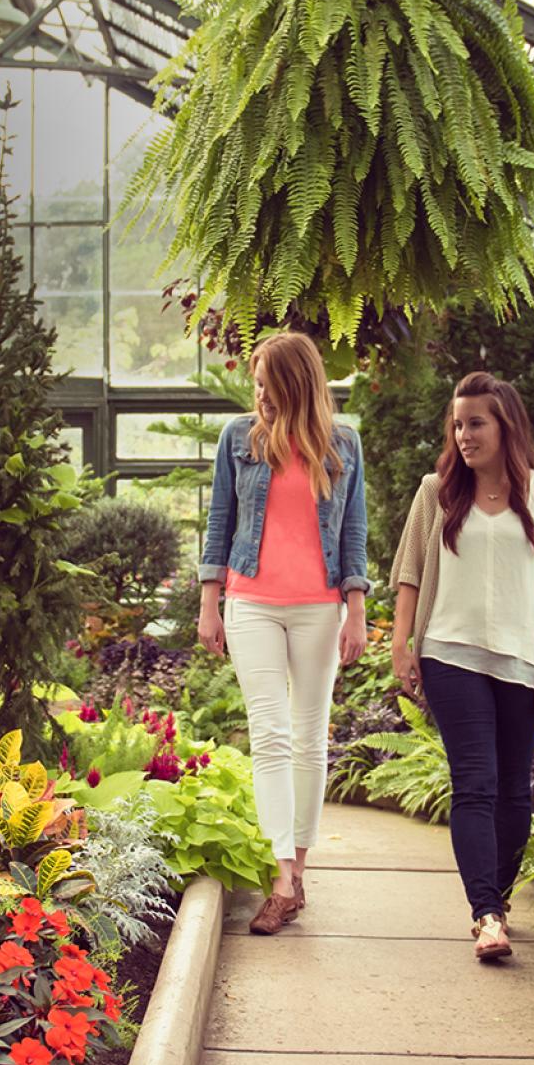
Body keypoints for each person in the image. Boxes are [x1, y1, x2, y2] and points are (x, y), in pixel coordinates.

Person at [389, 372, 534, 961]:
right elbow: (410, 574)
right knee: (473, 783)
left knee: (513, 790)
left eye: (475, 422)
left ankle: (496, 900)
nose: (464, 434)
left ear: (506, 425)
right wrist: (402, 644)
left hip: (524, 660)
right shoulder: (437, 492)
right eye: (457, 424)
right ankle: (486, 914)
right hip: (451, 655)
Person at [197, 331, 370, 935]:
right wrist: (209, 603)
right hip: (252, 603)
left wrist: (357, 610)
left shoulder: (342, 444)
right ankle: (282, 877)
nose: (260, 392)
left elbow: (354, 531)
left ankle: (298, 864)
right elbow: (220, 519)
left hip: (319, 607)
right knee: (269, 734)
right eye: (257, 381)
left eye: (268, 380)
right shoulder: (239, 440)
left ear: (295, 382)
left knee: (309, 736)